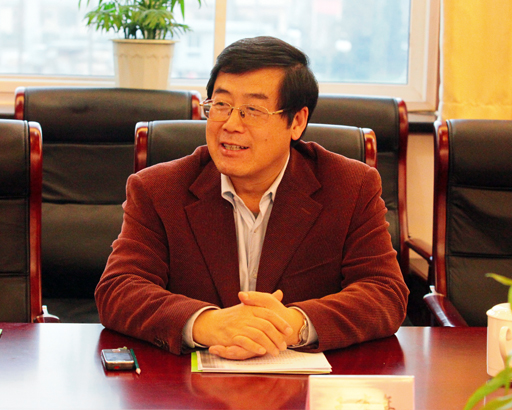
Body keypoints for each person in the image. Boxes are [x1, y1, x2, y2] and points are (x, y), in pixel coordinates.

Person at [95, 36, 409, 360]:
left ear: (297, 121)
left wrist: (292, 324)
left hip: (305, 384)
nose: (231, 124)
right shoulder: (158, 189)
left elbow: (384, 292)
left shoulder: (350, 186)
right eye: (221, 105)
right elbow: (119, 289)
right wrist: (208, 323)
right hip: (189, 383)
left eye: (253, 110)